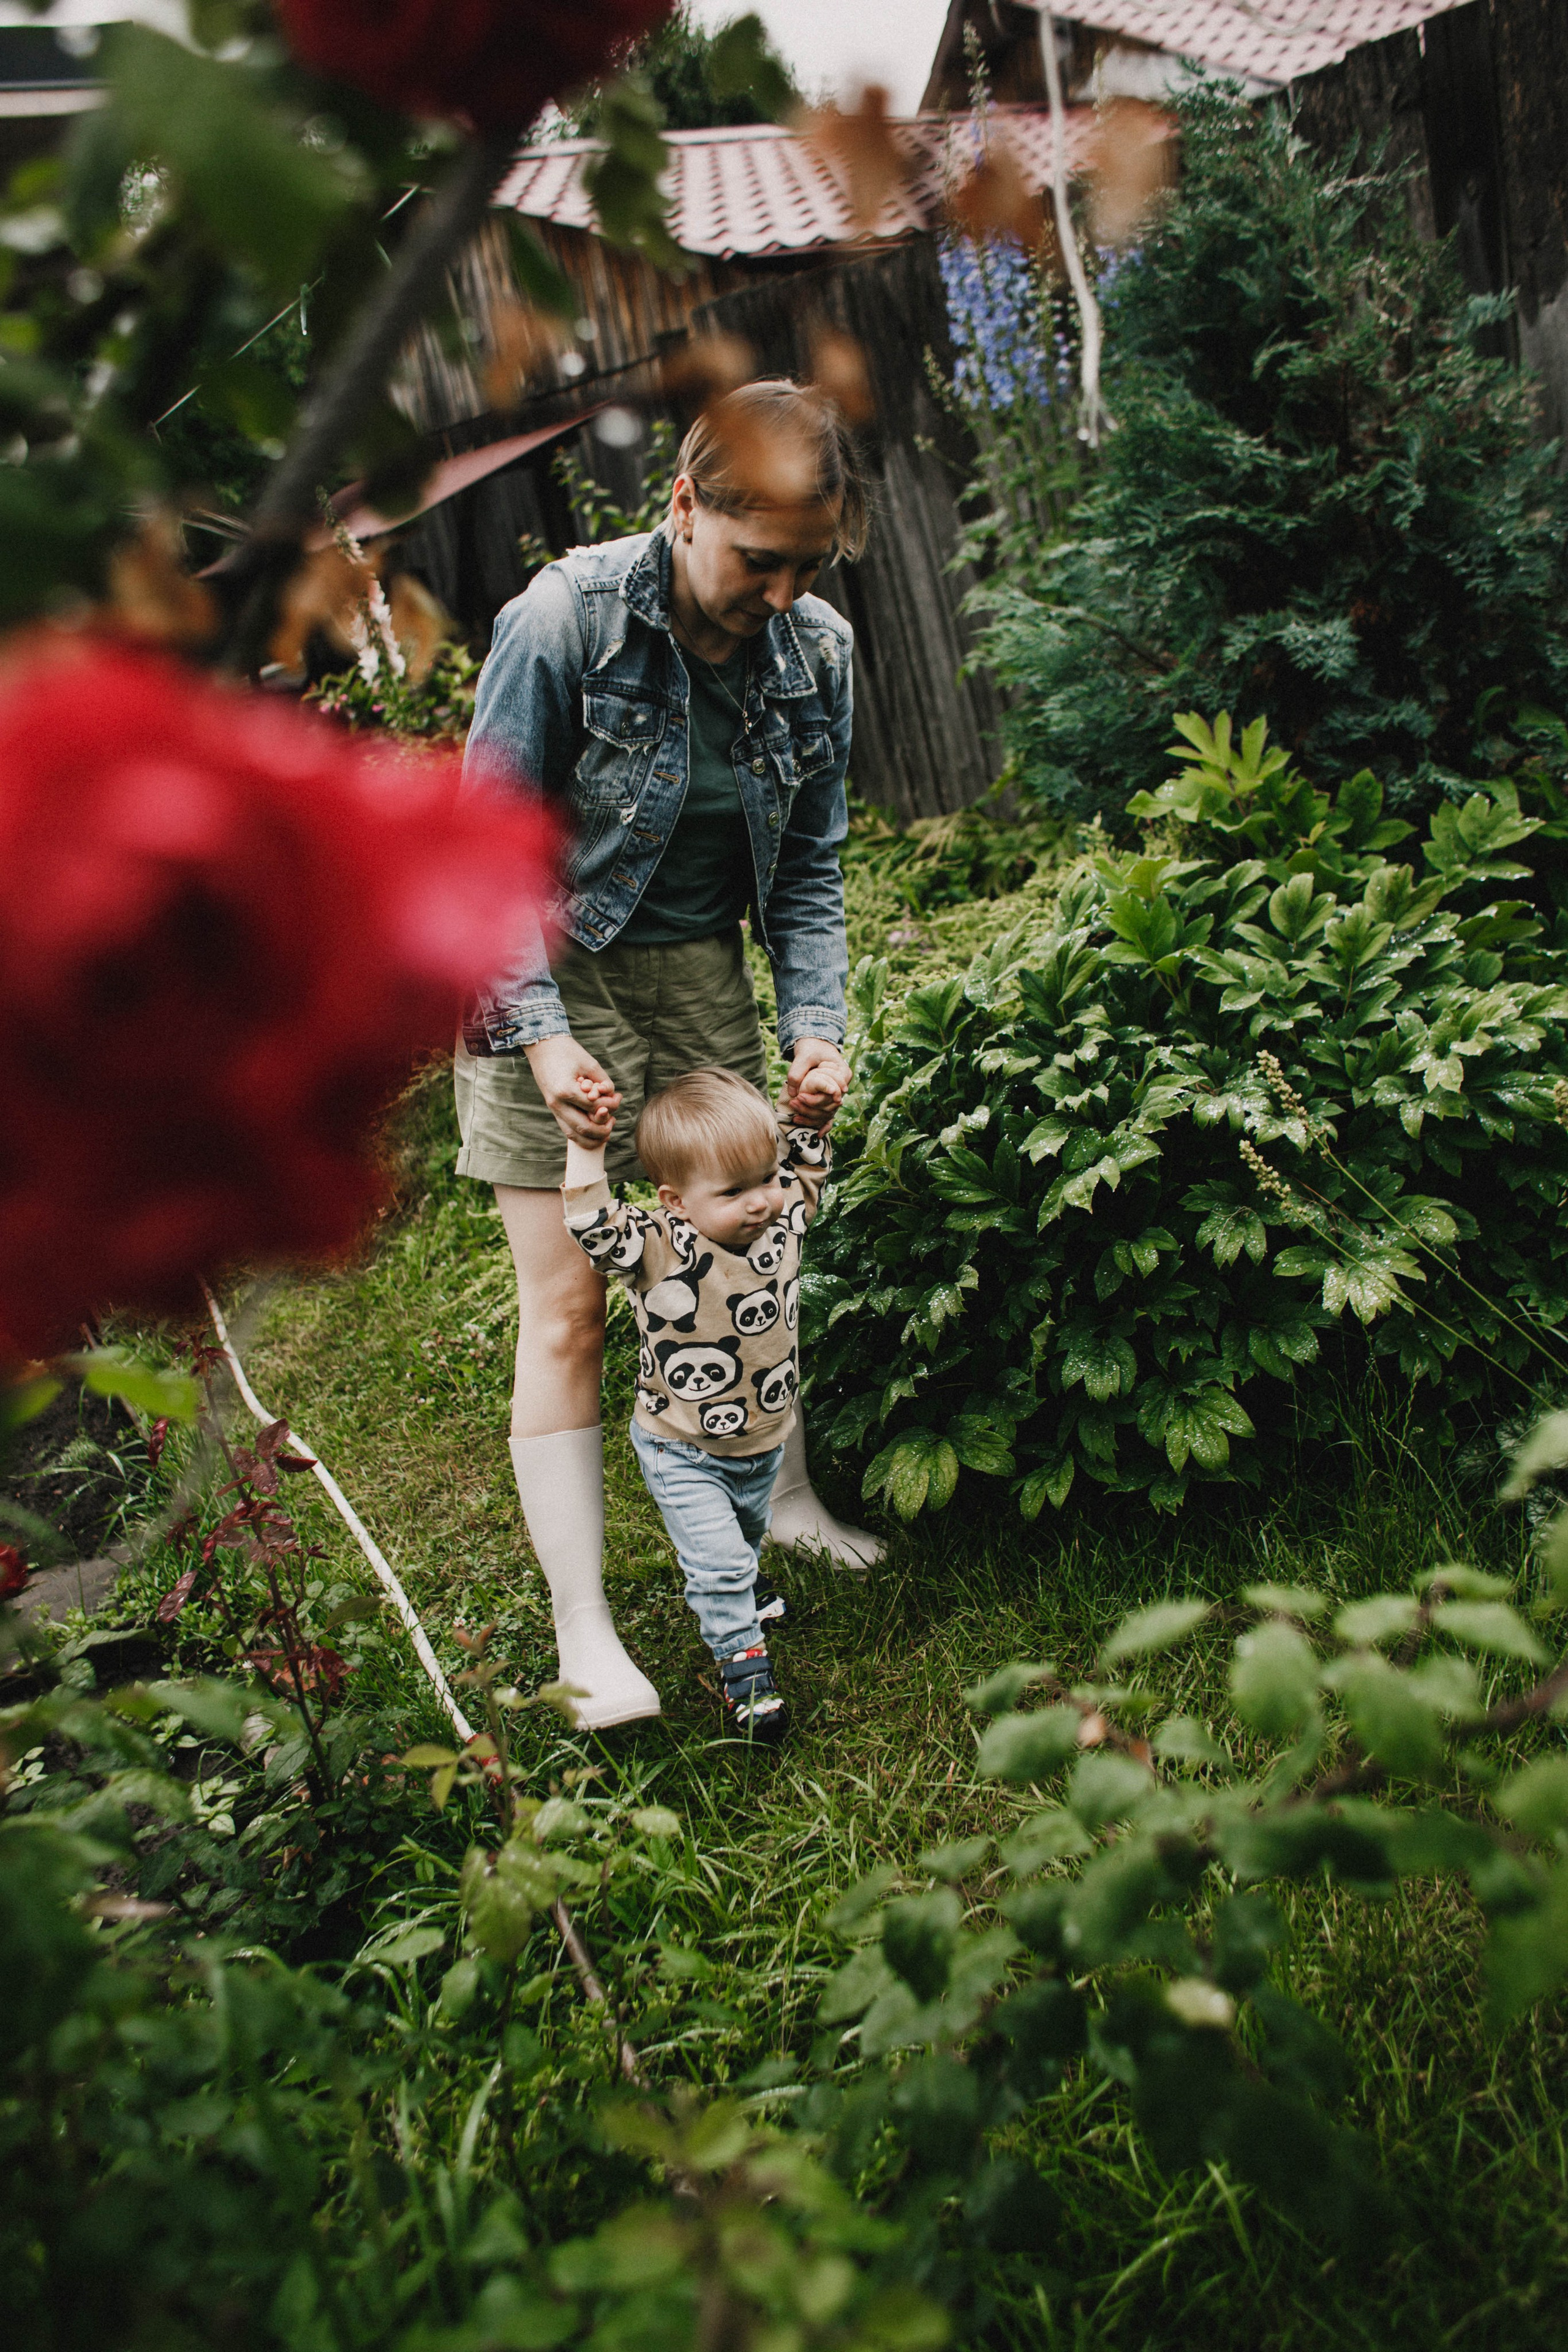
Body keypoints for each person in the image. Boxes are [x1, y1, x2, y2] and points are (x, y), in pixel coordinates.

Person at [456, 379, 884, 1732]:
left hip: (699, 976)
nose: (782, 594)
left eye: (808, 566)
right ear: (684, 503)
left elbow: (807, 869)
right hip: (547, 973)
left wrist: (814, 1023)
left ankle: (791, 1499)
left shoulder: (818, 651)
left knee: (755, 1246)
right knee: (574, 1301)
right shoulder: (560, 622)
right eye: (760, 562)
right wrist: (541, 1046)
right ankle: (585, 1631)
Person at [560, 1065, 840, 1743]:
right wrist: (588, 1150)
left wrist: (809, 1118)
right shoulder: (658, 1247)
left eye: (766, 1178)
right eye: (735, 1190)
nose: (761, 1202)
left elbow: (805, 1174)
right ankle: (744, 1673)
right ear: (675, 1201)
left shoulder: (781, 1223)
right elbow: (594, 1226)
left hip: (763, 1435)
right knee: (716, 1561)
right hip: (681, 1445)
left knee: (743, 1537)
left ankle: (740, 1595)